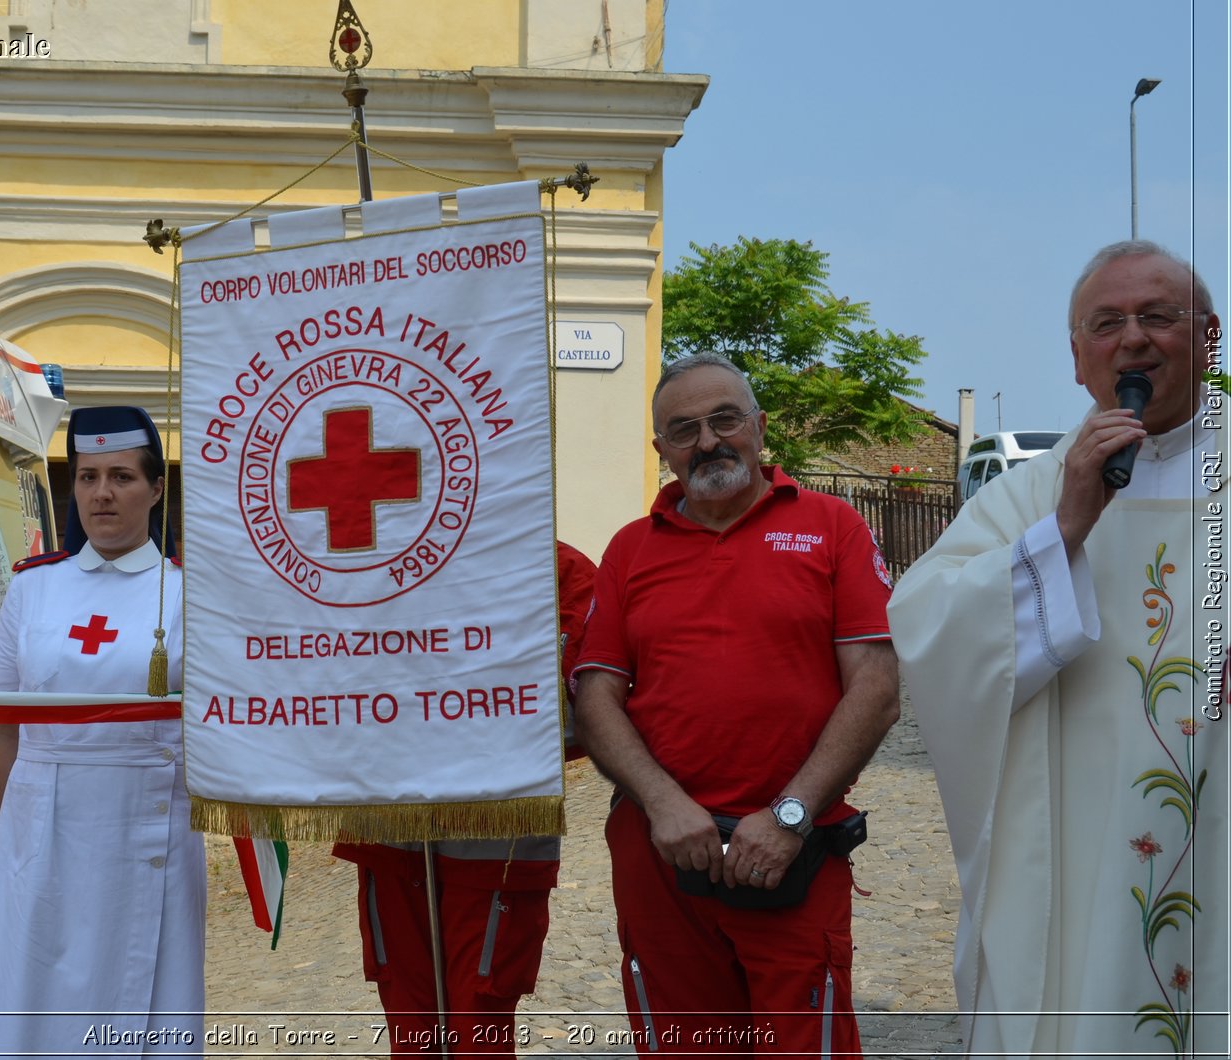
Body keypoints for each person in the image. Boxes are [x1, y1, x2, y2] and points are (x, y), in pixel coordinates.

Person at [889, 241, 1228, 1055]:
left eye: (1159, 316)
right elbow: (927, 627)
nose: (1134, 340)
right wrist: (1066, 526)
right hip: (1078, 855)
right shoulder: (1033, 493)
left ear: (1211, 338)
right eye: (1107, 323)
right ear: (1079, 360)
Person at [572, 352, 899, 1056]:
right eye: (683, 429)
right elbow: (594, 694)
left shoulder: (830, 525)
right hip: (662, 856)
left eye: (725, 419)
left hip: (795, 850)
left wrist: (788, 816)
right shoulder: (630, 549)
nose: (709, 441)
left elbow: (875, 686)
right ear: (660, 450)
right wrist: (664, 806)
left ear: (759, 427)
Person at [0, 406, 204, 1058]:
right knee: (30, 1010)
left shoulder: (190, 594)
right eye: (89, 476)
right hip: (39, 836)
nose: (102, 493)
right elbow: (5, 729)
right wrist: (0, 854)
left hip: (150, 830)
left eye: (123, 476)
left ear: (157, 488)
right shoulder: (32, 591)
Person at [331, 540, 597, 1058]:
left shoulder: (554, 565)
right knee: (410, 1019)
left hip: (496, 832)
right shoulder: (365, 565)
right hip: (390, 823)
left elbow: (586, 701)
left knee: (480, 1021)